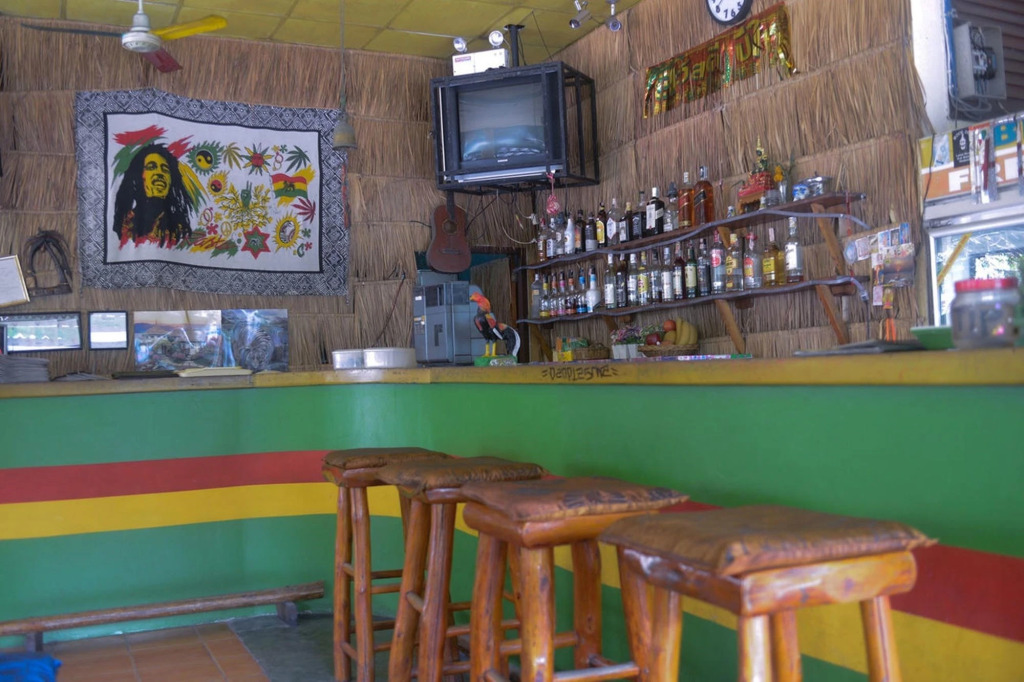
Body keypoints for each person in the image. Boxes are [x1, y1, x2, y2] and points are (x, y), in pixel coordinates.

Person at [112, 143, 193, 247]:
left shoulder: (180, 228)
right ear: (140, 176)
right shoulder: (125, 225)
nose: (159, 173)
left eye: (165, 169)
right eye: (151, 167)